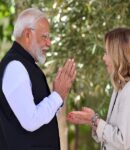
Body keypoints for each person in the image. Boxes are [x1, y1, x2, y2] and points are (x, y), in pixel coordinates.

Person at [0, 8, 76, 150]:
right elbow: (31, 121)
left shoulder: (25, 64)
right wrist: (57, 96)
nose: (49, 43)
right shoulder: (16, 67)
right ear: (28, 34)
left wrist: (58, 95)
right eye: (45, 37)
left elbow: (40, 117)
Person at [67, 27, 130, 150]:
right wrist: (91, 121)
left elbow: (122, 141)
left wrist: (95, 119)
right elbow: (111, 138)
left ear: (119, 55)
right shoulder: (121, 88)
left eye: (106, 52)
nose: (103, 58)